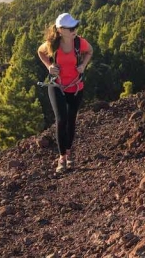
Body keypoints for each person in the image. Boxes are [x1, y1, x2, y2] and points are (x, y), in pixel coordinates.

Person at [37, 13, 93, 173]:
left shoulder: (79, 42)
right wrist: (49, 66)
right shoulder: (51, 44)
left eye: (75, 26)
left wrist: (83, 65)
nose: (75, 29)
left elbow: (90, 51)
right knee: (61, 119)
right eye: (71, 28)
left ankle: (69, 153)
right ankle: (62, 158)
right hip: (57, 86)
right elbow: (40, 52)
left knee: (71, 119)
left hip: (75, 86)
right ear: (60, 30)